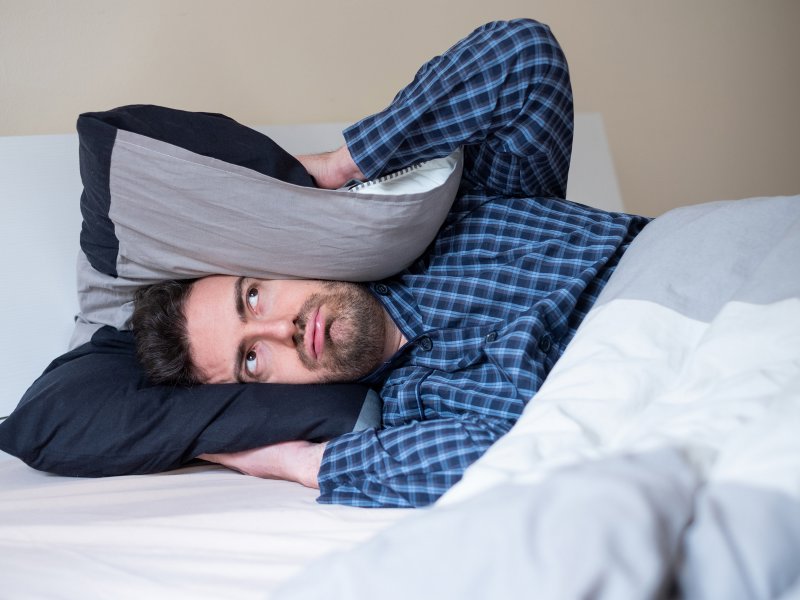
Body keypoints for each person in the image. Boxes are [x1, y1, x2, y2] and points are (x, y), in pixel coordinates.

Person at [131, 18, 650, 508]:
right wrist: (298, 463)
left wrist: (342, 165)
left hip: (692, 256)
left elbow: (524, 56)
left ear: (275, 261)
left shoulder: (461, 210)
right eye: (251, 360)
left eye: (252, 298)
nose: (280, 329)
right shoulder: (418, 415)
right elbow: (520, 460)